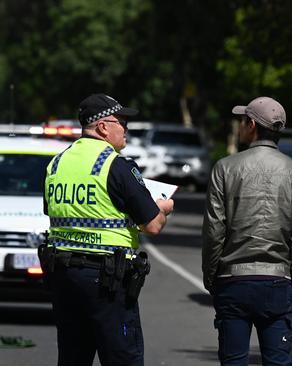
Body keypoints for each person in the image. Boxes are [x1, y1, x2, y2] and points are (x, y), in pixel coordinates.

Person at [41, 93, 174, 366]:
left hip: (64, 276)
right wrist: (163, 207)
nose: (125, 129)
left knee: (73, 357)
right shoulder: (116, 165)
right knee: (122, 357)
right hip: (106, 281)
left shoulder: (56, 164)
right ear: (103, 126)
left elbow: (54, 213)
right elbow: (153, 225)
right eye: (121, 121)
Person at [202, 96, 292, 366]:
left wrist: (211, 276)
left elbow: (214, 230)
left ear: (251, 125)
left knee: (234, 360)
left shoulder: (225, 168)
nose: (240, 127)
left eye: (242, 121)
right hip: (279, 281)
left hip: (233, 280)